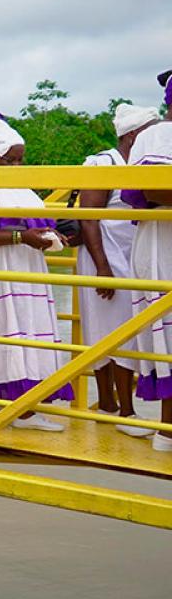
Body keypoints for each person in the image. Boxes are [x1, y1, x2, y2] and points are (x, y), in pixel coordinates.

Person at [0, 113, 70, 432]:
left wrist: (49, 235)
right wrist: (23, 237)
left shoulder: (21, 187)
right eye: (10, 159)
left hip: (22, 267)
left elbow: (29, 224)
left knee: (23, 331)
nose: (17, 165)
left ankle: (22, 409)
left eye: (20, 159)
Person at [75, 104, 160, 437]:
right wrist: (102, 268)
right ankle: (122, 409)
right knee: (111, 329)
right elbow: (89, 217)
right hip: (104, 256)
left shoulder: (140, 164)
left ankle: (111, 407)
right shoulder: (103, 163)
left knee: (126, 327)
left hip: (128, 254)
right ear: (133, 135)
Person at [122, 80, 172, 451]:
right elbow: (153, 189)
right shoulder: (157, 136)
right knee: (166, 330)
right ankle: (167, 430)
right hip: (162, 239)